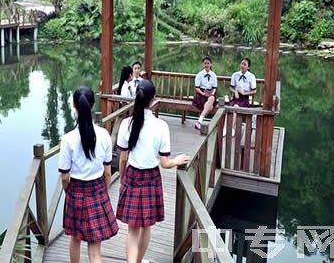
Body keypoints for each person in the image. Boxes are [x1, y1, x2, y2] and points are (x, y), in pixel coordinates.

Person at [116, 80, 190, 263]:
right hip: (151, 177)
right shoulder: (161, 126)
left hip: (132, 175)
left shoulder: (126, 124)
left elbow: (123, 158)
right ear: (153, 99)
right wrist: (177, 161)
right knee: (146, 226)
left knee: (132, 229)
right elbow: (164, 163)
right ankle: (138, 261)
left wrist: (122, 180)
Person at [58, 86, 119, 263]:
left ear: (73, 106)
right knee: (95, 248)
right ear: (93, 106)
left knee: (75, 238)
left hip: (75, 190)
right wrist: (103, 192)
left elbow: (64, 176)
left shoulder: (68, 139)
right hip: (97, 189)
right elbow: (108, 173)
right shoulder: (104, 135)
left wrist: (69, 191)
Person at [193, 56, 218, 131]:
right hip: (201, 95)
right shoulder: (199, 74)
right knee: (209, 107)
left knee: (212, 98)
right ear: (203, 65)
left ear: (211, 64)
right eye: (205, 63)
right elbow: (197, 87)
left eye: (208, 63)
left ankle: (199, 121)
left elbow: (215, 88)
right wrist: (203, 93)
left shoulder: (213, 75)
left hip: (210, 94)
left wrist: (212, 93)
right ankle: (200, 120)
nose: (206, 65)